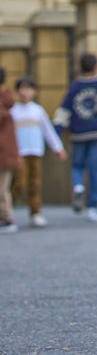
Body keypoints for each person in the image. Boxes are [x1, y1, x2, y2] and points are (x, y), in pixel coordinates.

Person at [53, 53, 97, 223]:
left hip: (78, 133)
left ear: (80, 67)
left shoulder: (74, 87)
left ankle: (78, 186)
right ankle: (94, 207)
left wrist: (57, 134)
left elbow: (63, 111)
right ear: (95, 67)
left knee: (77, 166)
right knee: (94, 169)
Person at [11, 76, 68, 227]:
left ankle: (35, 212)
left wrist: (58, 147)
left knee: (35, 183)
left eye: (28, 89)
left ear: (34, 91)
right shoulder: (14, 111)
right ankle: (6, 210)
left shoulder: (38, 110)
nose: (24, 92)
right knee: (19, 183)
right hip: (19, 153)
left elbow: (48, 131)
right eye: (21, 89)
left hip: (35, 151)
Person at [0, 67, 22, 233]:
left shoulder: (3, 103)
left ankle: (7, 218)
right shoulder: (6, 102)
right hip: (6, 153)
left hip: (3, 154)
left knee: (2, 188)